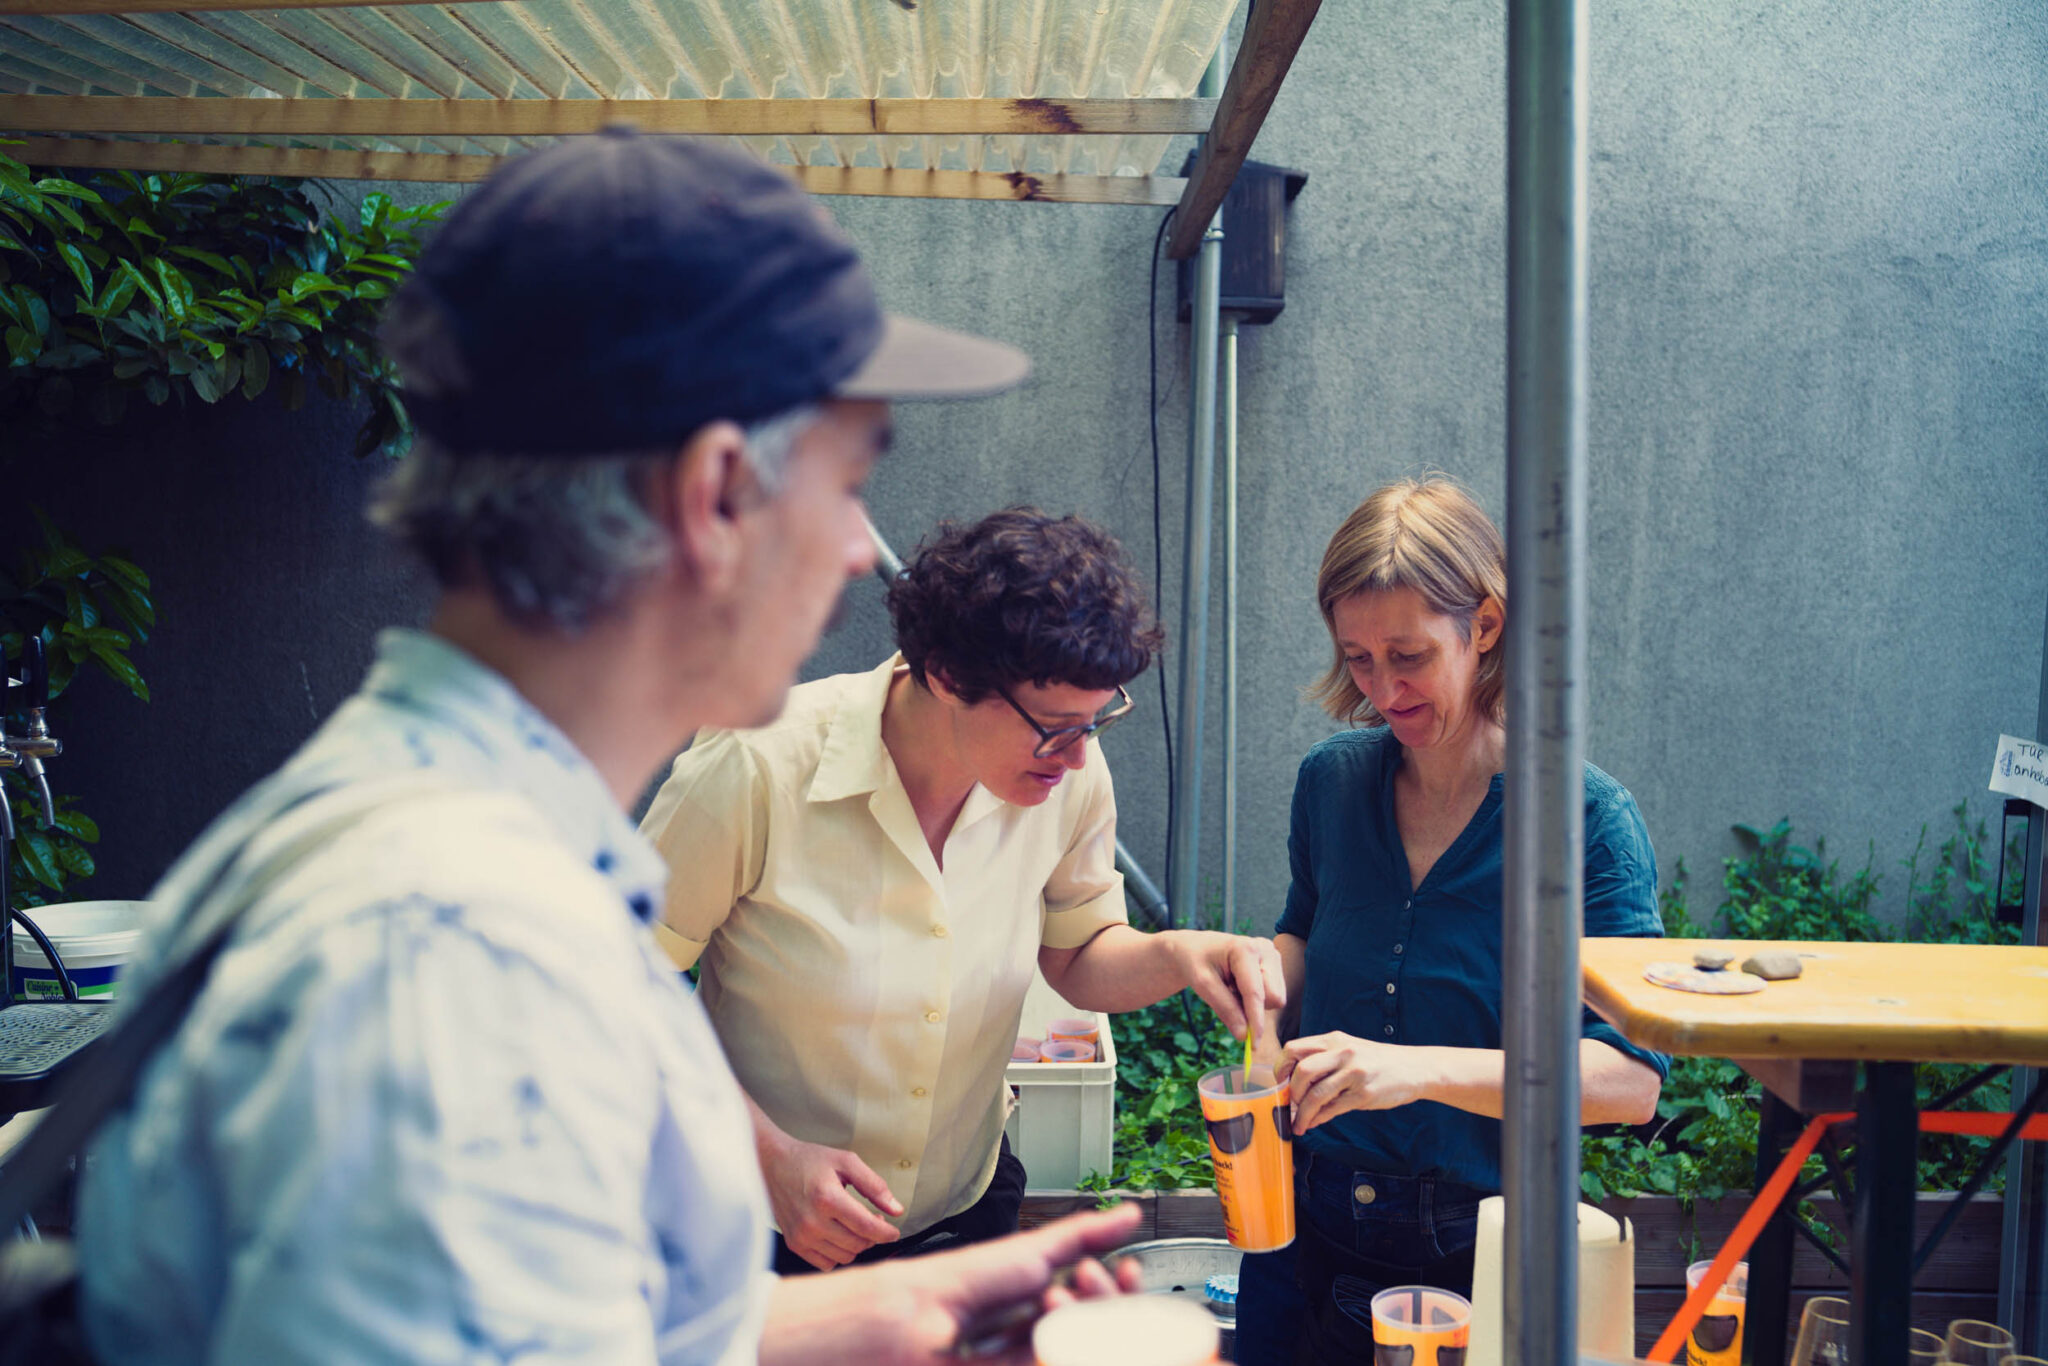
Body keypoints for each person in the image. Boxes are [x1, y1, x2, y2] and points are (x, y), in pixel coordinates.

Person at [74, 130, 1143, 1366]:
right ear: (714, 494)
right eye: (850, 478)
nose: (860, 549)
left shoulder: (462, 843)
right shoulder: (455, 950)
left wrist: (889, 1315)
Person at [642, 507, 1286, 1273]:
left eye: (1098, 723)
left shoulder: (1066, 776)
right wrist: (767, 1156)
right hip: (757, 1226)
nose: (1078, 758)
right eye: (1055, 728)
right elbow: (610, 985)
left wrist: (1181, 954)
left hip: (966, 1209)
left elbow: (1078, 952)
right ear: (946, 675)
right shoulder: (757, 765)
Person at [1232, 477, 1672, 1366]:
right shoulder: (1331, 781)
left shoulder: (1587, 820)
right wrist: (1261, 980)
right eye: (1357, 658)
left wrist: (1414, 1071)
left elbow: (1629, 1082)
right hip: (1299, 1217)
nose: (1382, 689)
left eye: (1408, 655)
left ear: (1485, 625)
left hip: (1484, 1253)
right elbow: (1305, 936)